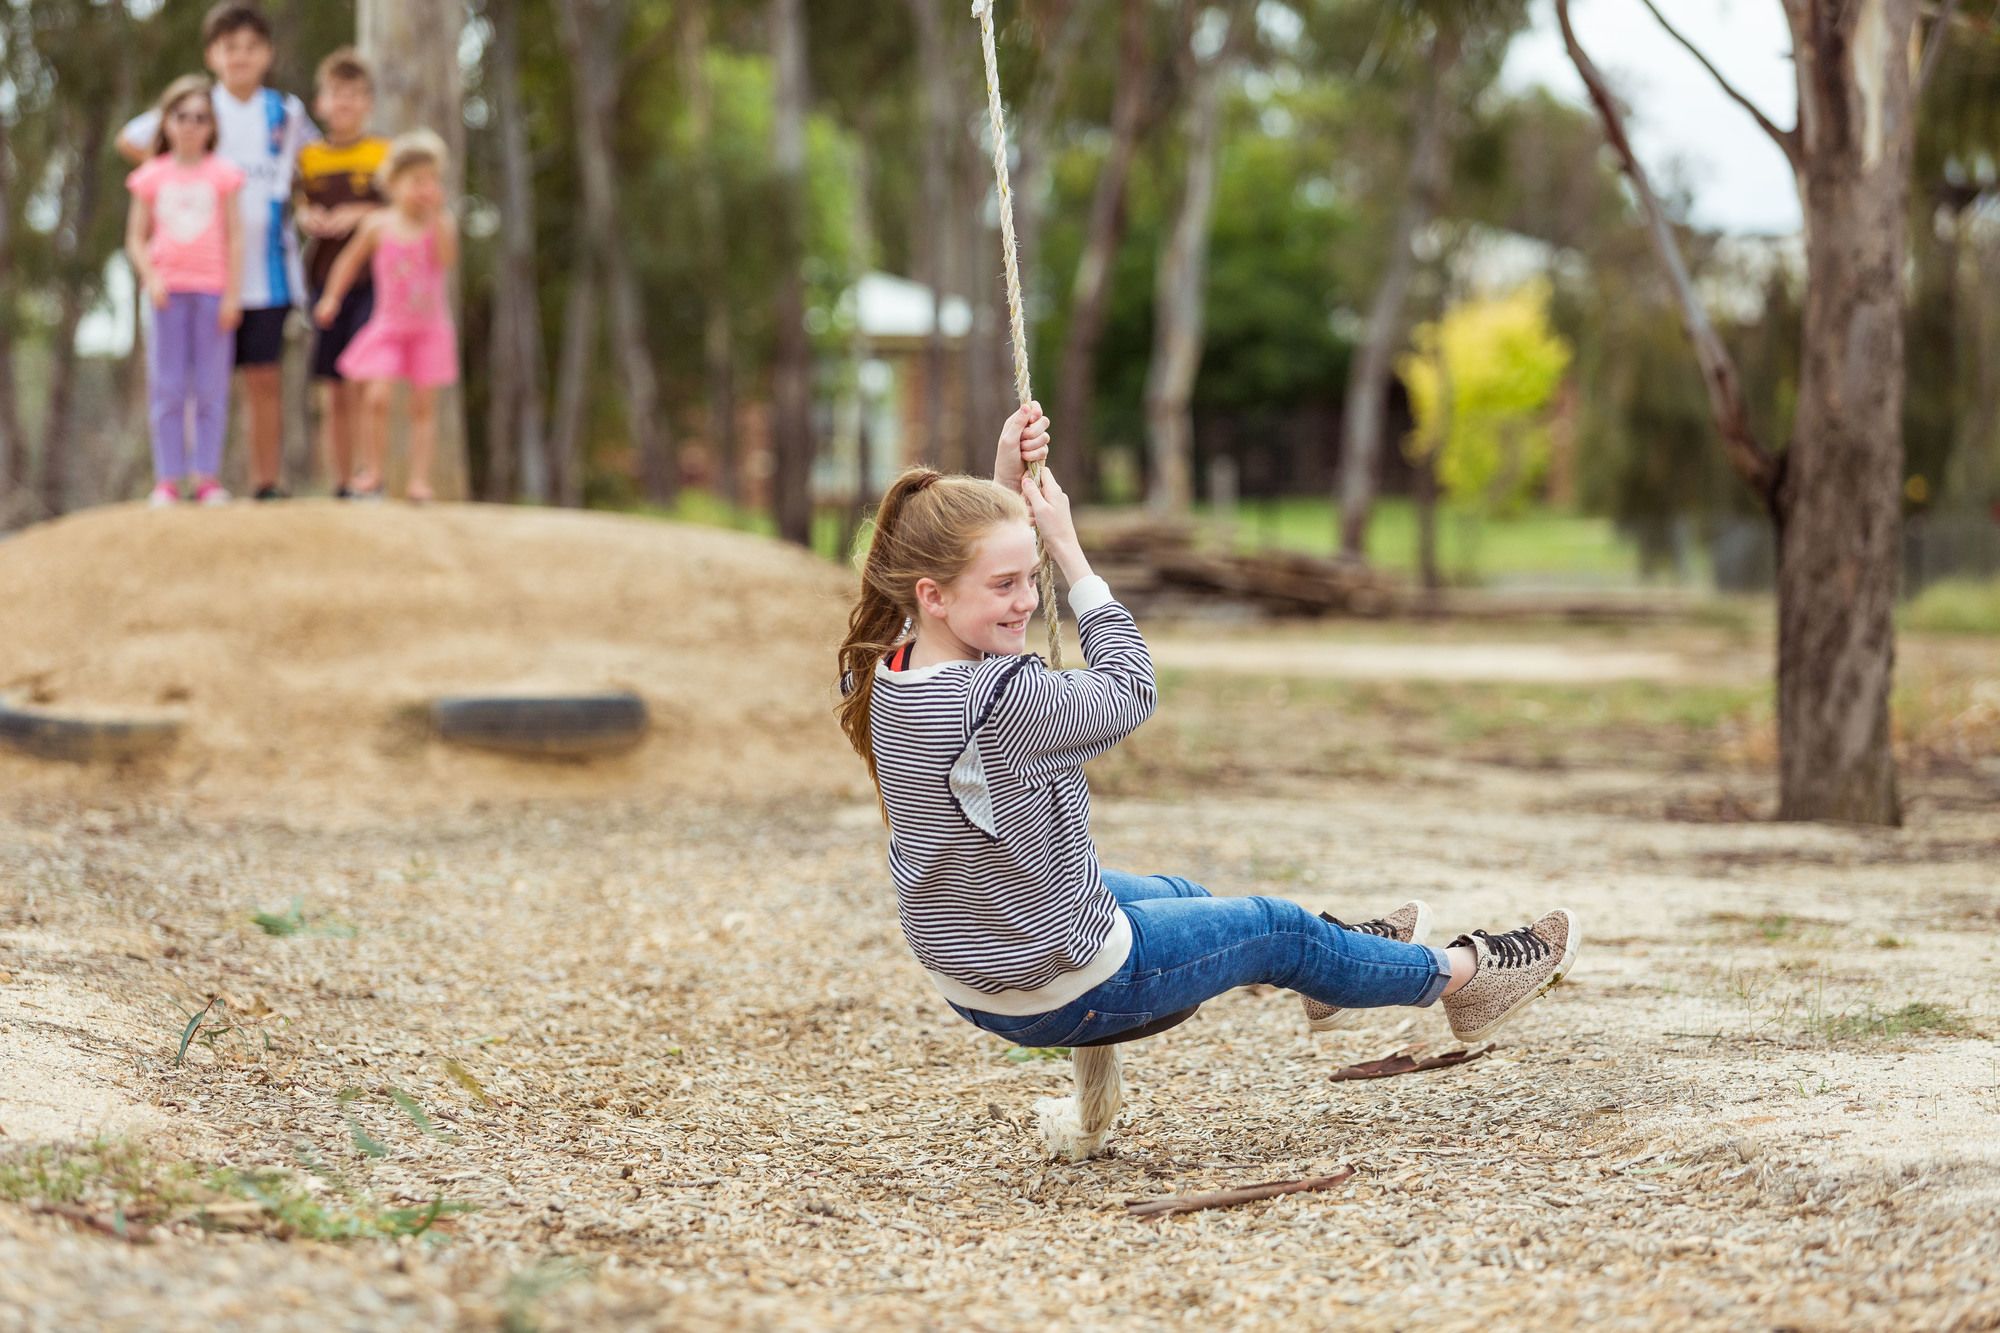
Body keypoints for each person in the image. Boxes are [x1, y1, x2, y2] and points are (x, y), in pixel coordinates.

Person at [836, 404, 1580, 1051]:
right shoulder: (1001, 702)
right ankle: (1465, 978)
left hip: (973, 969)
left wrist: (1005, 486)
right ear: (933, 594)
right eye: (1007, 584)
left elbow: (957, 585)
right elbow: (1131, 688)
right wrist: (1067, 549)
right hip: (1066, 986)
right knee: (1276, 927)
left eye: (1031, 575)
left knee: (1186, 895)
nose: (1029, 600)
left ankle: (1340, 966)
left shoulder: (881, 668)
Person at [117, 3, 317, 501]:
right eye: (230, 48)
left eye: (251, 47)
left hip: (265, 269)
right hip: (196, 277)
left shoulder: (286, 113)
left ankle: (265, 482)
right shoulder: (200, 105)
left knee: (263, 377)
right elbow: (131, 139)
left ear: (268, 54)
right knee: (189, 383)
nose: (241, 57)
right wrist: (182, 171)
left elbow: (313, 161)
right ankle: (190, 477)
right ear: (212, 54)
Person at [314, 130, 458, 504]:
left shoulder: (439, 224)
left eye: (431, 181)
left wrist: (439, 217)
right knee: (376, 397)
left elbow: (445, 260)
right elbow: (348, 262)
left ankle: (419, 481)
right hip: (389, 327)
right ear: (393, 185)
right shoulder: (378, 225)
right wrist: (331, 297)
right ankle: (372, 472)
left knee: (423, 405)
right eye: (417, 181)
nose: (425, 189)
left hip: (428, 329)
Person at [125, 76, 245, 508]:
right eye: (183, 116)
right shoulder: (150, 176)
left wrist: (232, 294)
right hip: (167, 294)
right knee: (168, 387)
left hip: (213, 293)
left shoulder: (225, 175)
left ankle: (207, 477)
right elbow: (135, 239)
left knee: (211, 388)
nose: (191, 125)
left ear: (211, 125)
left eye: (201, 117)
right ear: (167, 122)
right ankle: (168, 479)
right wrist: (151, 277)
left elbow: (235, 237)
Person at [295, 48, 388, 500]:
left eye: (355, 95)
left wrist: (361, 214)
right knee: (334, 386)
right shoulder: (308, 157)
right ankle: (342, 481)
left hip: (375, 283)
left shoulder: (384, 154)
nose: (346, 103)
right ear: (321, 103)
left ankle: (372, 474)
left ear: (369, 102)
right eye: (337, 94)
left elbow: (401, 209)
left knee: (367, 378)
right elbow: (297, 203)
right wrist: (306, 217)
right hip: (323, 281)